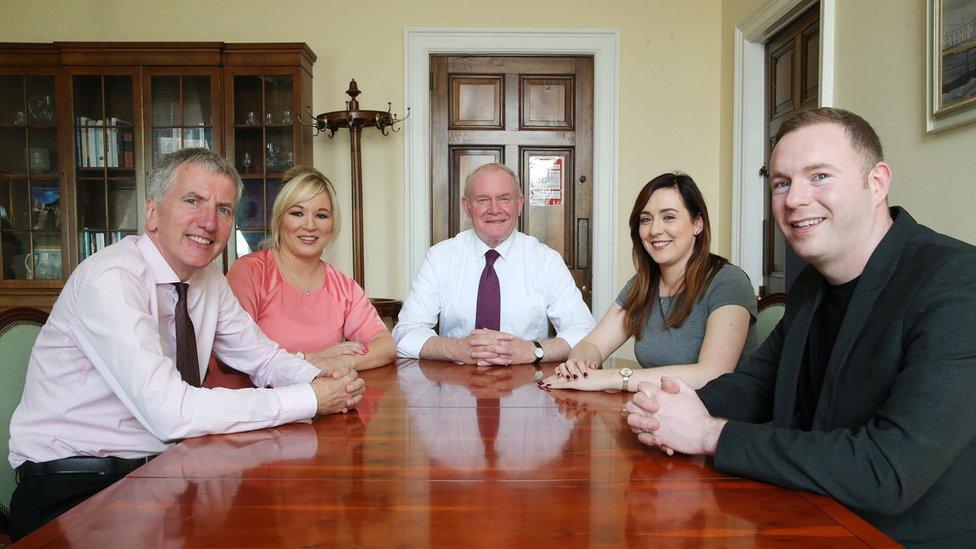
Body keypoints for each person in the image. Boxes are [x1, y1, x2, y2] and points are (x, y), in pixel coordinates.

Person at [626, 108, 976, 547]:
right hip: (804, 514)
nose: (794, 200)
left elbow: (886, 472)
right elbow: (756, 386)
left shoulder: (957, 282)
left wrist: (708, 433)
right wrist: (668, 406)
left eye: (820, 176)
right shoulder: (813, 283)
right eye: (782, 183)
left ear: (877, 182)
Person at [7, 148, 365, 541]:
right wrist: (310, 398)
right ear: (152, 212)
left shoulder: (206, 278)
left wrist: (322, 376)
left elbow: (261, 356)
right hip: (75, 487)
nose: (209, 222)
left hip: (159, 472)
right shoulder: (110, 279)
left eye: (224, 209)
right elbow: (170, 412)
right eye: (192, 200)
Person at [540, 173, 757, 392]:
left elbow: (712, 374)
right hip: (657, 412)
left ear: (698, 223)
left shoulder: (729, 281)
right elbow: (592, 344)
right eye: (646, 219)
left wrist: (615, 378)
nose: (654, 230)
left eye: (669, 217)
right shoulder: (642, 284)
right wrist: (580, 366)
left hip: (720, 420)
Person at [392, 163, 595, 365]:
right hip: (456, 384)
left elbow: (584, 330)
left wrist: (533, 350)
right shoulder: (440, 258)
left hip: (528, 384)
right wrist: (458, 349)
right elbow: (405, 333)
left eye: (504, 198)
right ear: (466, 206)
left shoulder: (546, 261)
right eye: (483, 199)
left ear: (520, 204)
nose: (495, 209)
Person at [212, 166, 393, 389]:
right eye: (297, 213)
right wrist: (309, 359)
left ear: (333, 224)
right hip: (254, 409)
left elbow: (385, 346)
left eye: (321, 215)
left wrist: (339, 362)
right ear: (280, 219)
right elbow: (229, 359)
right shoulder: (250, 273)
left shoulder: (343, 286)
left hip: (320, 404)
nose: (310, 225)